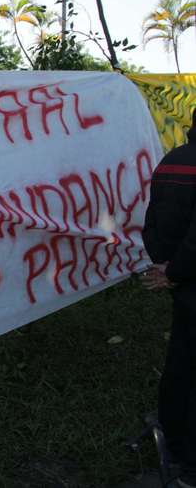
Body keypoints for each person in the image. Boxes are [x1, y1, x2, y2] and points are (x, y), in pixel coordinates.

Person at [142, 106, 196, 488]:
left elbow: (154, 219)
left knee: (182, 363)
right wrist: (176, 270)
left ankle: (177, 445)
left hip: (183, 283)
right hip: (187, 275)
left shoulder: (171, 161)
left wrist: (165, 266)